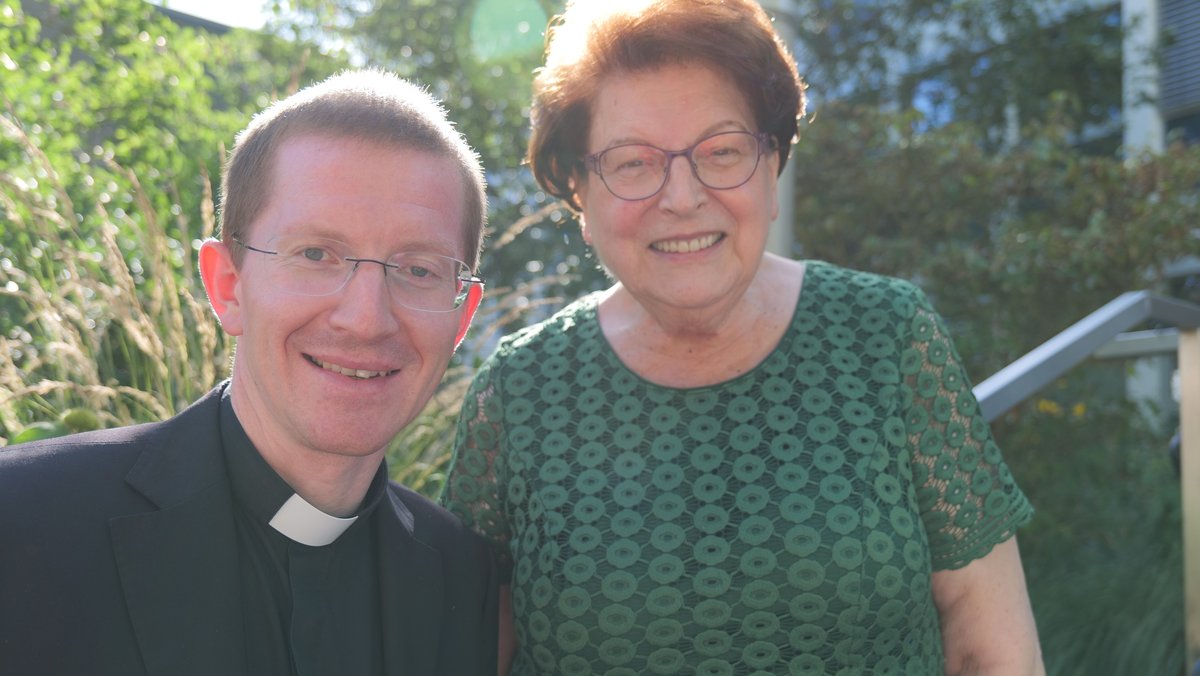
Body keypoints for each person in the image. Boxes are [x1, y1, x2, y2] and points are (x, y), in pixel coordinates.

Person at [440, 1, 1046, 674]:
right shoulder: (522, 392)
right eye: (633, 162)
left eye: (722, 151)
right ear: (581, 194)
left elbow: (993, 648)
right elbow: (465, 655)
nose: (682, 197)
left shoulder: (887, 337)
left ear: (772, 165)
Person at [0, 69, 498, 676]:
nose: (367, 319)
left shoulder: (463, 580)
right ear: (228, 286)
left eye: (419, 269)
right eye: (315, 254)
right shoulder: (20, 519)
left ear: (462, 315)